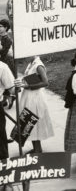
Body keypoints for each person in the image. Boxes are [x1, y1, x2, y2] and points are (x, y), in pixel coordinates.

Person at [14, 56, 54, 153]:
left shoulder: (38, 65)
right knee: (28, 121)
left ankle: (37, 149)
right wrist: (22, 82)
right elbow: (30, 78)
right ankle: (36, 147)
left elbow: (45, 82)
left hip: (35, 97)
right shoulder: (30, 64)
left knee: (32, 121)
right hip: (28, 96)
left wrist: (29, 86)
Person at [0, 62, 15, 191]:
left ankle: (5, 181)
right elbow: (12, 88)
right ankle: (6, 181)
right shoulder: (2, 66)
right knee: (1, 145)